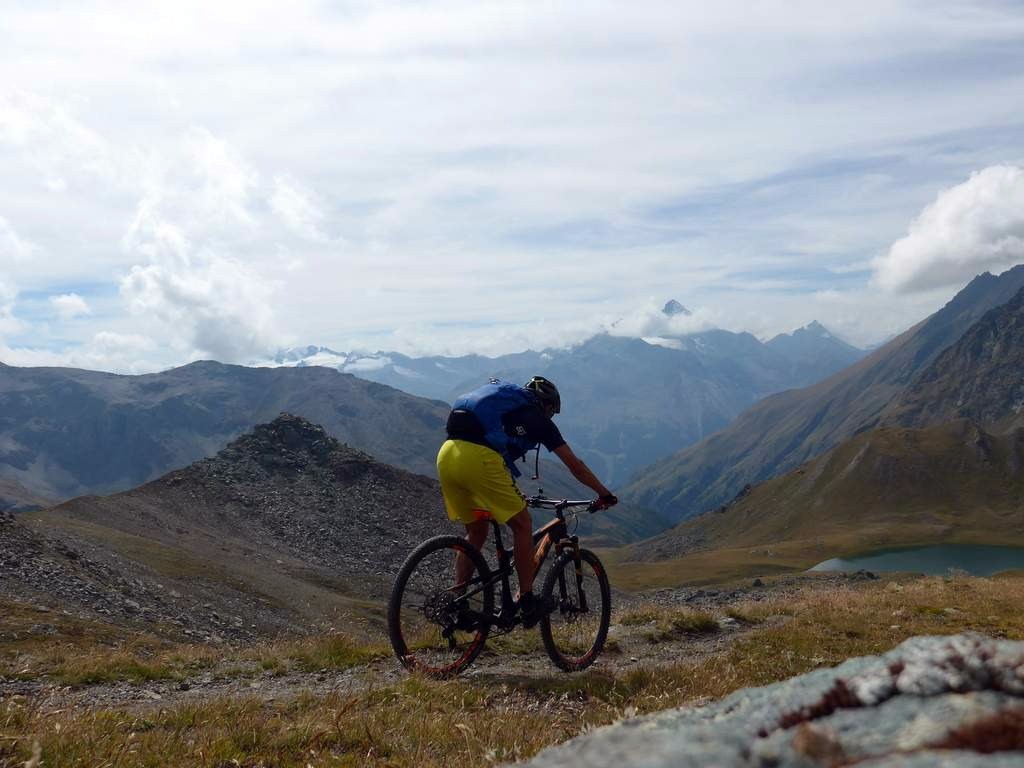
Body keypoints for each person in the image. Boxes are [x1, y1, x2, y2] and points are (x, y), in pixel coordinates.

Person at [437, 376, 618, 627]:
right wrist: (604, 493)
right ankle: (528, 600)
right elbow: (576, 466)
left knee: (476, 533)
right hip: (478, 460)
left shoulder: (505, 412)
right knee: (523, 524)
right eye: (551, 412)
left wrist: (512, 494)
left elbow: (498, 455)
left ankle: (457, 602)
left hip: (447, 456)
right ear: (546, 405)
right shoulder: (537, 419)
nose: (550, 417)